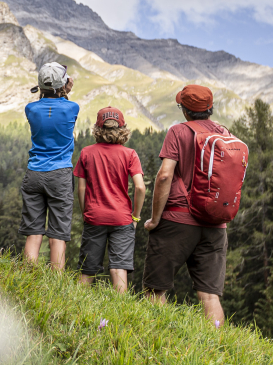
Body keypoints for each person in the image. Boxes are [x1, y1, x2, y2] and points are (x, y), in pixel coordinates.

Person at [143, 84, 228, 324]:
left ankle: (154, 343)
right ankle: (219, 351)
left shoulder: (178, 132)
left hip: (177, 219)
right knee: (210, 296)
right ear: (209, 108)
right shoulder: (225, 133)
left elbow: (164, 176)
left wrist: (155, 219)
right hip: (215, 222)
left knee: (155, 289)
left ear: (185, 110)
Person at [75, 107, 145, 292]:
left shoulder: (86, 153)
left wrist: (85, 213)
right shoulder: (130, 154)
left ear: (98, 128)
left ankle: (76, 308)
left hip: (94, 216)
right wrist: (135, 217)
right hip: (122, 219)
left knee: (88, 269)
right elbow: (140, 187)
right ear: (122, 128)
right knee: (119, 267)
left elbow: (81, 188)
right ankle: (120, 311)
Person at [19, 62, 79, 271]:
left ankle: (27, 277)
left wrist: (57, 90)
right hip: (60, 174)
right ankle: (55, 284)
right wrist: (66, 91)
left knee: (34, 232)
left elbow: (44, 105)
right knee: (58, 234)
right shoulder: (72, 107)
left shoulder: (31, 109)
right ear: (64, 84)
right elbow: (63, 107)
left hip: (34, 172)